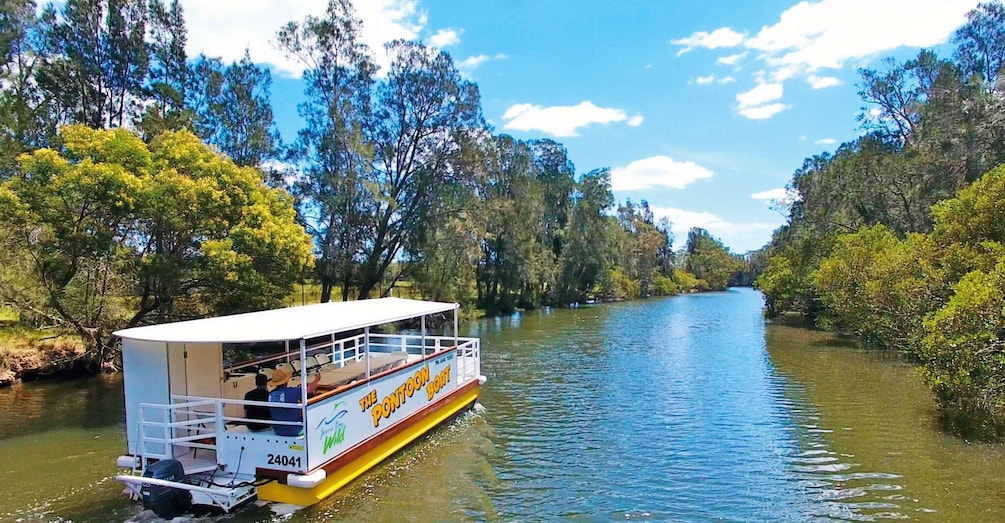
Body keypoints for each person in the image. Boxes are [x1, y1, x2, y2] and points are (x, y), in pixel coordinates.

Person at [267, 367, 321, 437]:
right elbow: (309, 389)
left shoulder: (271, 394)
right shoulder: (292, 392)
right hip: (295, 428)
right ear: (286, 381)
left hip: (278, 429)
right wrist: (316, 380)